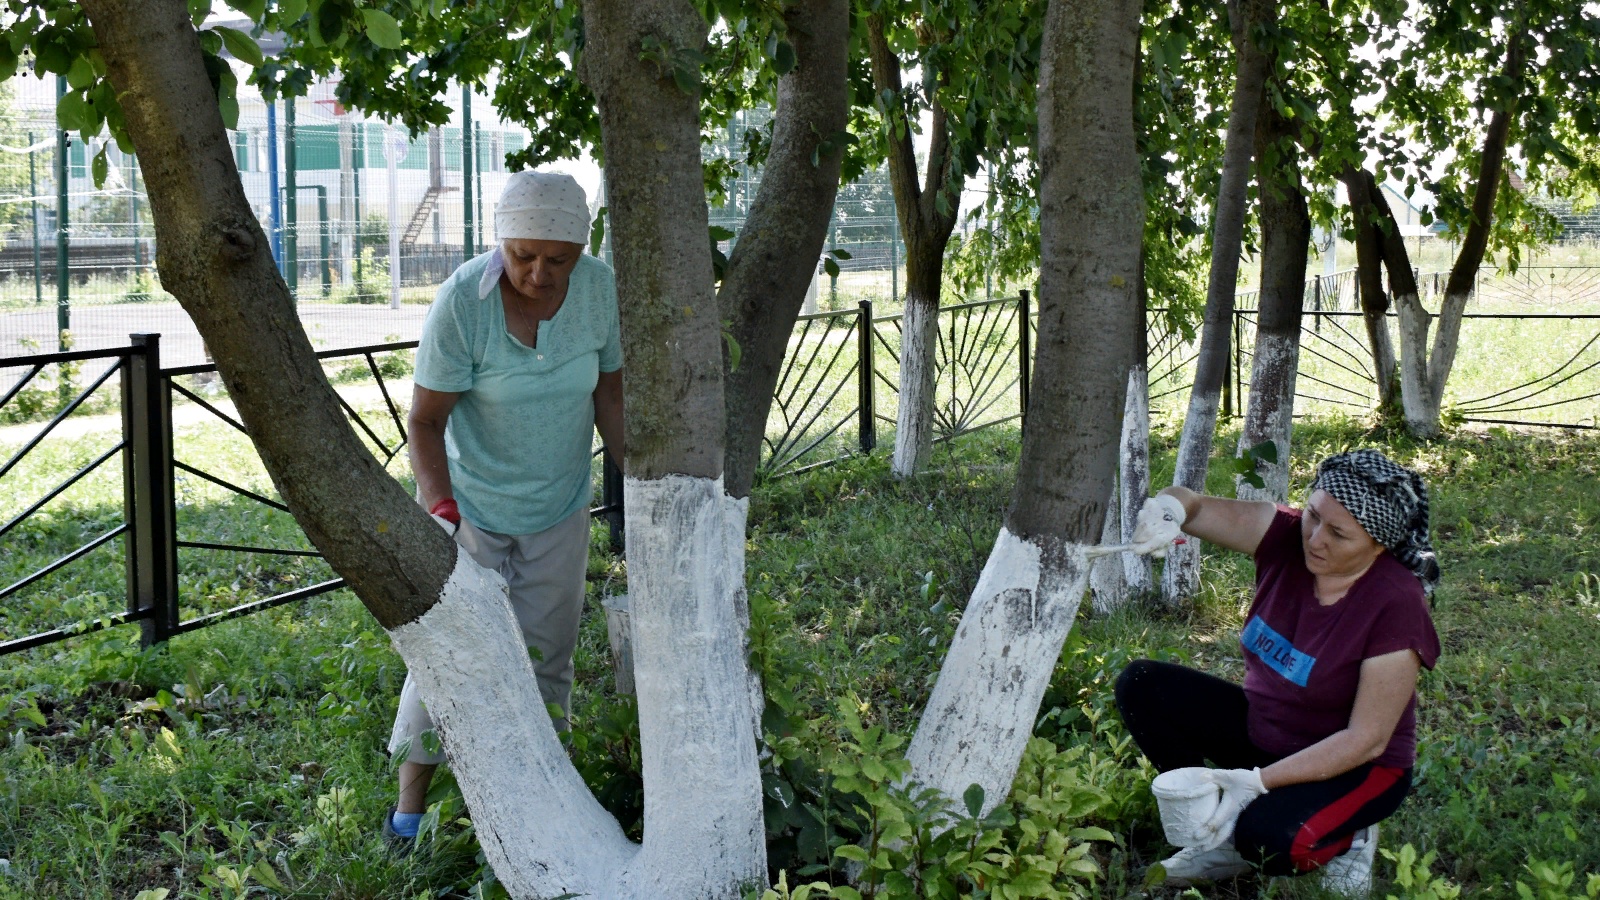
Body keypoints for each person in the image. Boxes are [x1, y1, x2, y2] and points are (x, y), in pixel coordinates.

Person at [381, 170, 624, 845]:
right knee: (452, 655)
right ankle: (409, 808)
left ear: (581, 252)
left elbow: (610, 393)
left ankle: (541, 805)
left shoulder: (600, 290)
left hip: (560, 505)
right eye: (524, 256)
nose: (540, 274)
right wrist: (441, 509)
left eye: (558, 259)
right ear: (501, 244)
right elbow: (425, 422)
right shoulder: (465, 301)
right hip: (474, 511)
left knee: (549, 655)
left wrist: (642, 479)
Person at [1115, 449, 1441, 893]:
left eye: (1340, 534)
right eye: (1313, 516)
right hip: (1268, 732)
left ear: (1378, 544)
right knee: (1142, 685)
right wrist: (1168, 510)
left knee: (1268, 839)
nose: (1316, 539)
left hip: (1358, 767)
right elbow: (1194, 505)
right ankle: (1211, 826)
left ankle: (1349, 837)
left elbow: (1367, 739)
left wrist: (1255, 783)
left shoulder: (1395, 602)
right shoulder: (1286, 536)